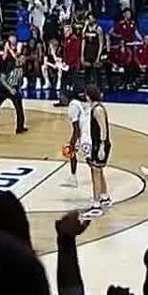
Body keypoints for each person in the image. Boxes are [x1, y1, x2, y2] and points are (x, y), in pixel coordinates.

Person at [84, 84, 110, 218]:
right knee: (98, 171)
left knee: (95, 173)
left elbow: (104, 129)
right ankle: (104, 197)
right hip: (97, 144)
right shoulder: (95, 107)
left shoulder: (97, 110)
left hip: (100, 144)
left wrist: (101, 146)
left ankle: (96, 204)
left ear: (88, 96)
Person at [0, 60, 27, 134]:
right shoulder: (9, 64)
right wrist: (10, 89)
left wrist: (18, 86)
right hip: (4, 89)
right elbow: (2, 79)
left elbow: (19, 81)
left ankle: (19, 128)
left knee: (19, 109)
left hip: (14, 90)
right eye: (21, 59)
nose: (23, 61)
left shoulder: (22, 68)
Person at [63, 88, 90, 188]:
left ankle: (74, 179)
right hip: (87, 131)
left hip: (84, 134)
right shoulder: (78, 103)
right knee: (78, 155)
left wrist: (73, 142)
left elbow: (76, 127)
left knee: (89, 160)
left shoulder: (72, 106)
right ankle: (73, 177)